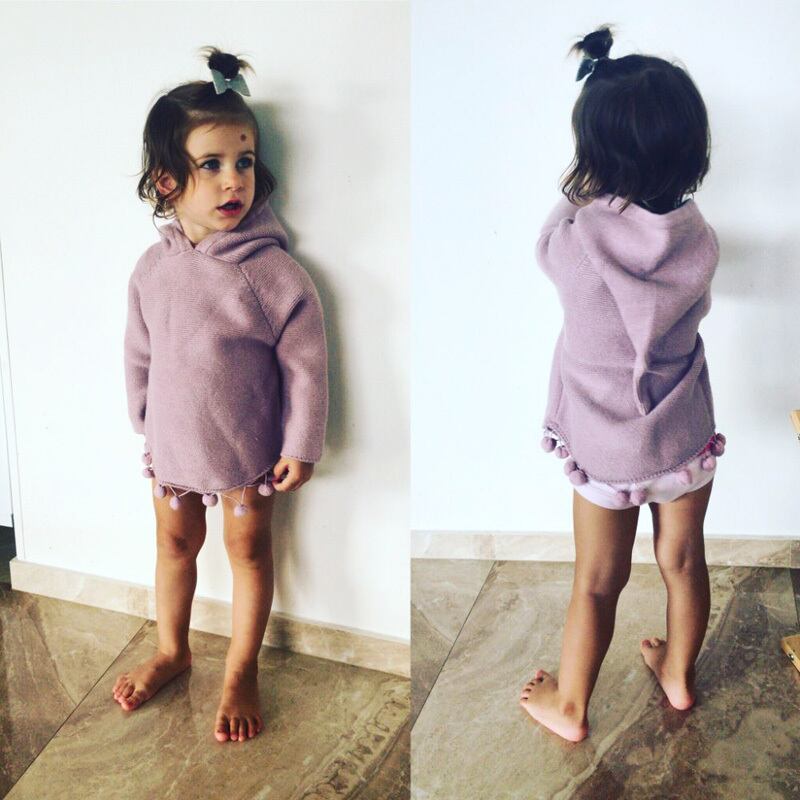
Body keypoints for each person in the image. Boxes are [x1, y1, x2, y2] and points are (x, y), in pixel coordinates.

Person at [116, 46, 328, 744]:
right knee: (174, 543)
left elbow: (306, 364)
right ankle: (171, 650)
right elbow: (139, 349)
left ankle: (241, 669)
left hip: (247, 453)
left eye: (245, 161)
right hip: (173, 446)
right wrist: (143, 418)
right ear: (167, 180)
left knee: (249, 552)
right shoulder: (152, 269)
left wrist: (301, 443)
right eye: (211, 164)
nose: (234, 179)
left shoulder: (273, 273)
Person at [519, 25, 724, 742]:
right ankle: (678, 674)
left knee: (597, 581)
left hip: (607, 450)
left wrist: (578, 190)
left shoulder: (575, 243)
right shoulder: (699, 239)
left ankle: (571, 705)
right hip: (683, 438)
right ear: (691, 150)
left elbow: (546, 240)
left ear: (594, 158)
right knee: (684, 561)